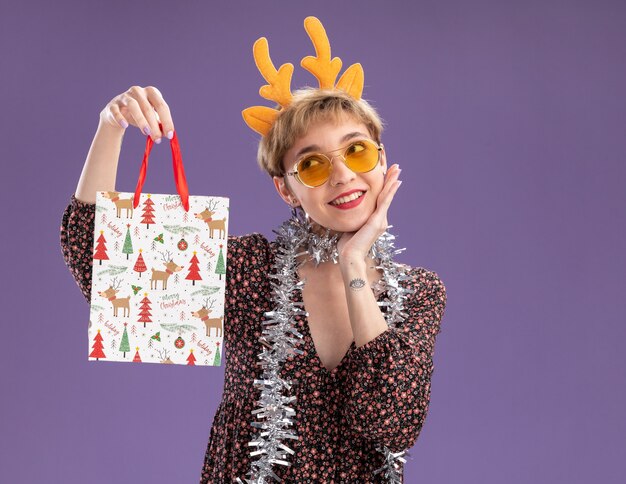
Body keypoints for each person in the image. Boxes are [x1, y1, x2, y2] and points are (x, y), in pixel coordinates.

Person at [60, 16, 447, 483]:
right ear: (287, 190)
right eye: (312, 164)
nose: (343, 175)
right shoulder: (249, 270)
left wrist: (353, 264)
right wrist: (111, 126)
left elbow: (392, 421)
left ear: (382, 161)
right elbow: (98, 260)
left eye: (358, 151)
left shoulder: (420, 292)